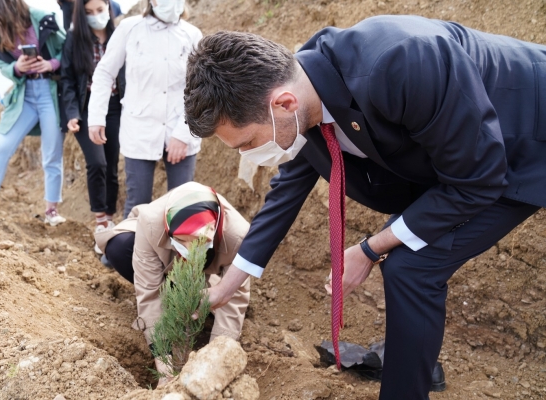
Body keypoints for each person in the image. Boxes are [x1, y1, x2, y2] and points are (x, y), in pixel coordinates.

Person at [183, 17, 546, 400]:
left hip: (520, 144)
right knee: (408, 257)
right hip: (461, 162)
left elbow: (479, 179)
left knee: (412, 268)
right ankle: (416, 359)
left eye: (247, 142)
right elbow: (286, 191)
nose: (249, 154)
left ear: (283, 103)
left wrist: (370, 248)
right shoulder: (303, 91)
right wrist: (226, 287)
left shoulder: (400, 62)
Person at [94, 181, 250, 386]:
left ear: (212, 230)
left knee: (223, 302)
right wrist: (164, 362)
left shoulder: (238, 236)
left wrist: (216, 359)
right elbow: (148, 291)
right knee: (119, 248)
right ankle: (176, 293)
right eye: (181, 240)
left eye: (197, 241)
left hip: (211, 266)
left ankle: (199, 295)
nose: (189, 247)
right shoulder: (151, 221)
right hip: (159, 253)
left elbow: (235, 297)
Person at [88, 0, 202, 218]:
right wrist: (96, 117)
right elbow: (104, 73)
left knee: (181, 206)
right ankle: (124, 252)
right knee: (137, 204)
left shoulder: (192, 35)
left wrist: (182, 134)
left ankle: (177, 253)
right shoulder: (130, 28)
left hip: (181, 127)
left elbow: (198, 89)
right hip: (139, 129)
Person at [0, 0, 67, 226]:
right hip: (24, 96)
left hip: (50, 92)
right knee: (0, 147)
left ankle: (52, 210)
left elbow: (67, 49)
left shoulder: (42, 17)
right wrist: (18, 67)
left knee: (51, 154)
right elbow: (3, 65)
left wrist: (50, 64)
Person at [61, 0, 121, 249]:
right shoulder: (74, 41)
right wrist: (72, 114)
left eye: (99, 10)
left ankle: (110, 218)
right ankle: (100, 221)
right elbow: (67, 79)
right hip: (87, 111)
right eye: (89, 13)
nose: (96, 16)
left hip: (116, 108)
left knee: (113, 166)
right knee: (97, 163)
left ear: (109, 7)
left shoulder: (120, 36)